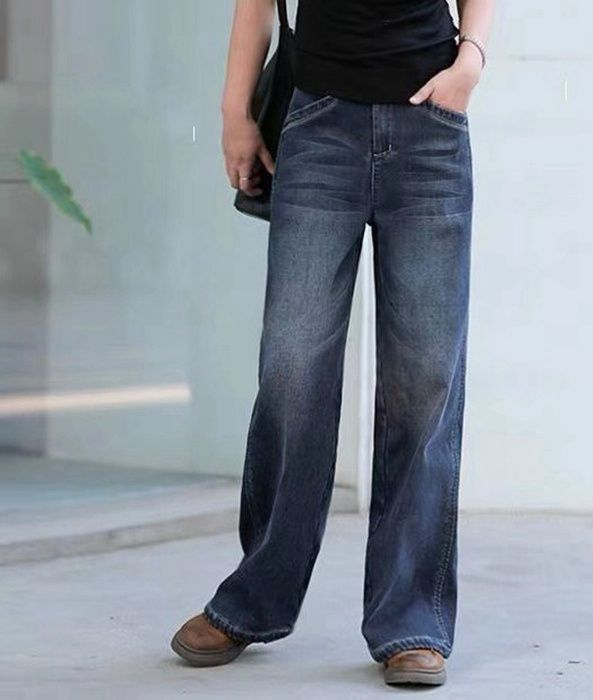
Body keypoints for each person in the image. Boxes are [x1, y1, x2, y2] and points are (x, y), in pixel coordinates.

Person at [171, 0, 493, 687]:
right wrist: (235, 112)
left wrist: (471, 59)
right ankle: (256, 598)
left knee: (425, 380)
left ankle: (413, 621)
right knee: (292, 368)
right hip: (319, 124)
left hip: (430, 126)